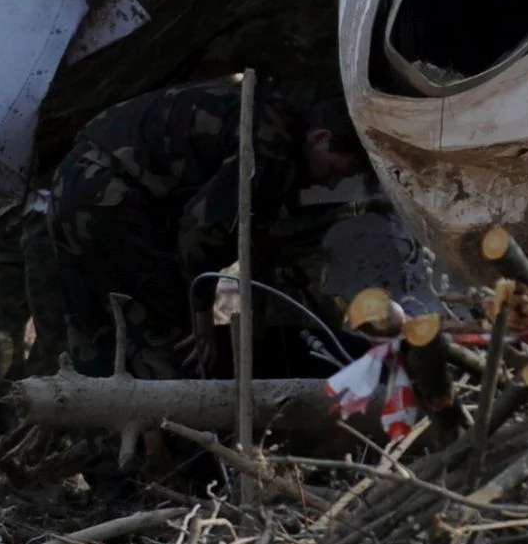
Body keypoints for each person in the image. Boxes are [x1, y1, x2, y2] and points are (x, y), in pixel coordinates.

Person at [47, 78, 368, 379]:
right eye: (336, 169)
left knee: (93, 331)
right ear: (320, 138)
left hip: (72, 181)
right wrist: (200, 317)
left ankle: (102, 434)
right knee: (179, 345)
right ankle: (179, 431)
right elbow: (197, 235)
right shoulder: (273, 147)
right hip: (112, 199)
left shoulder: (269, 113)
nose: (330, 184)